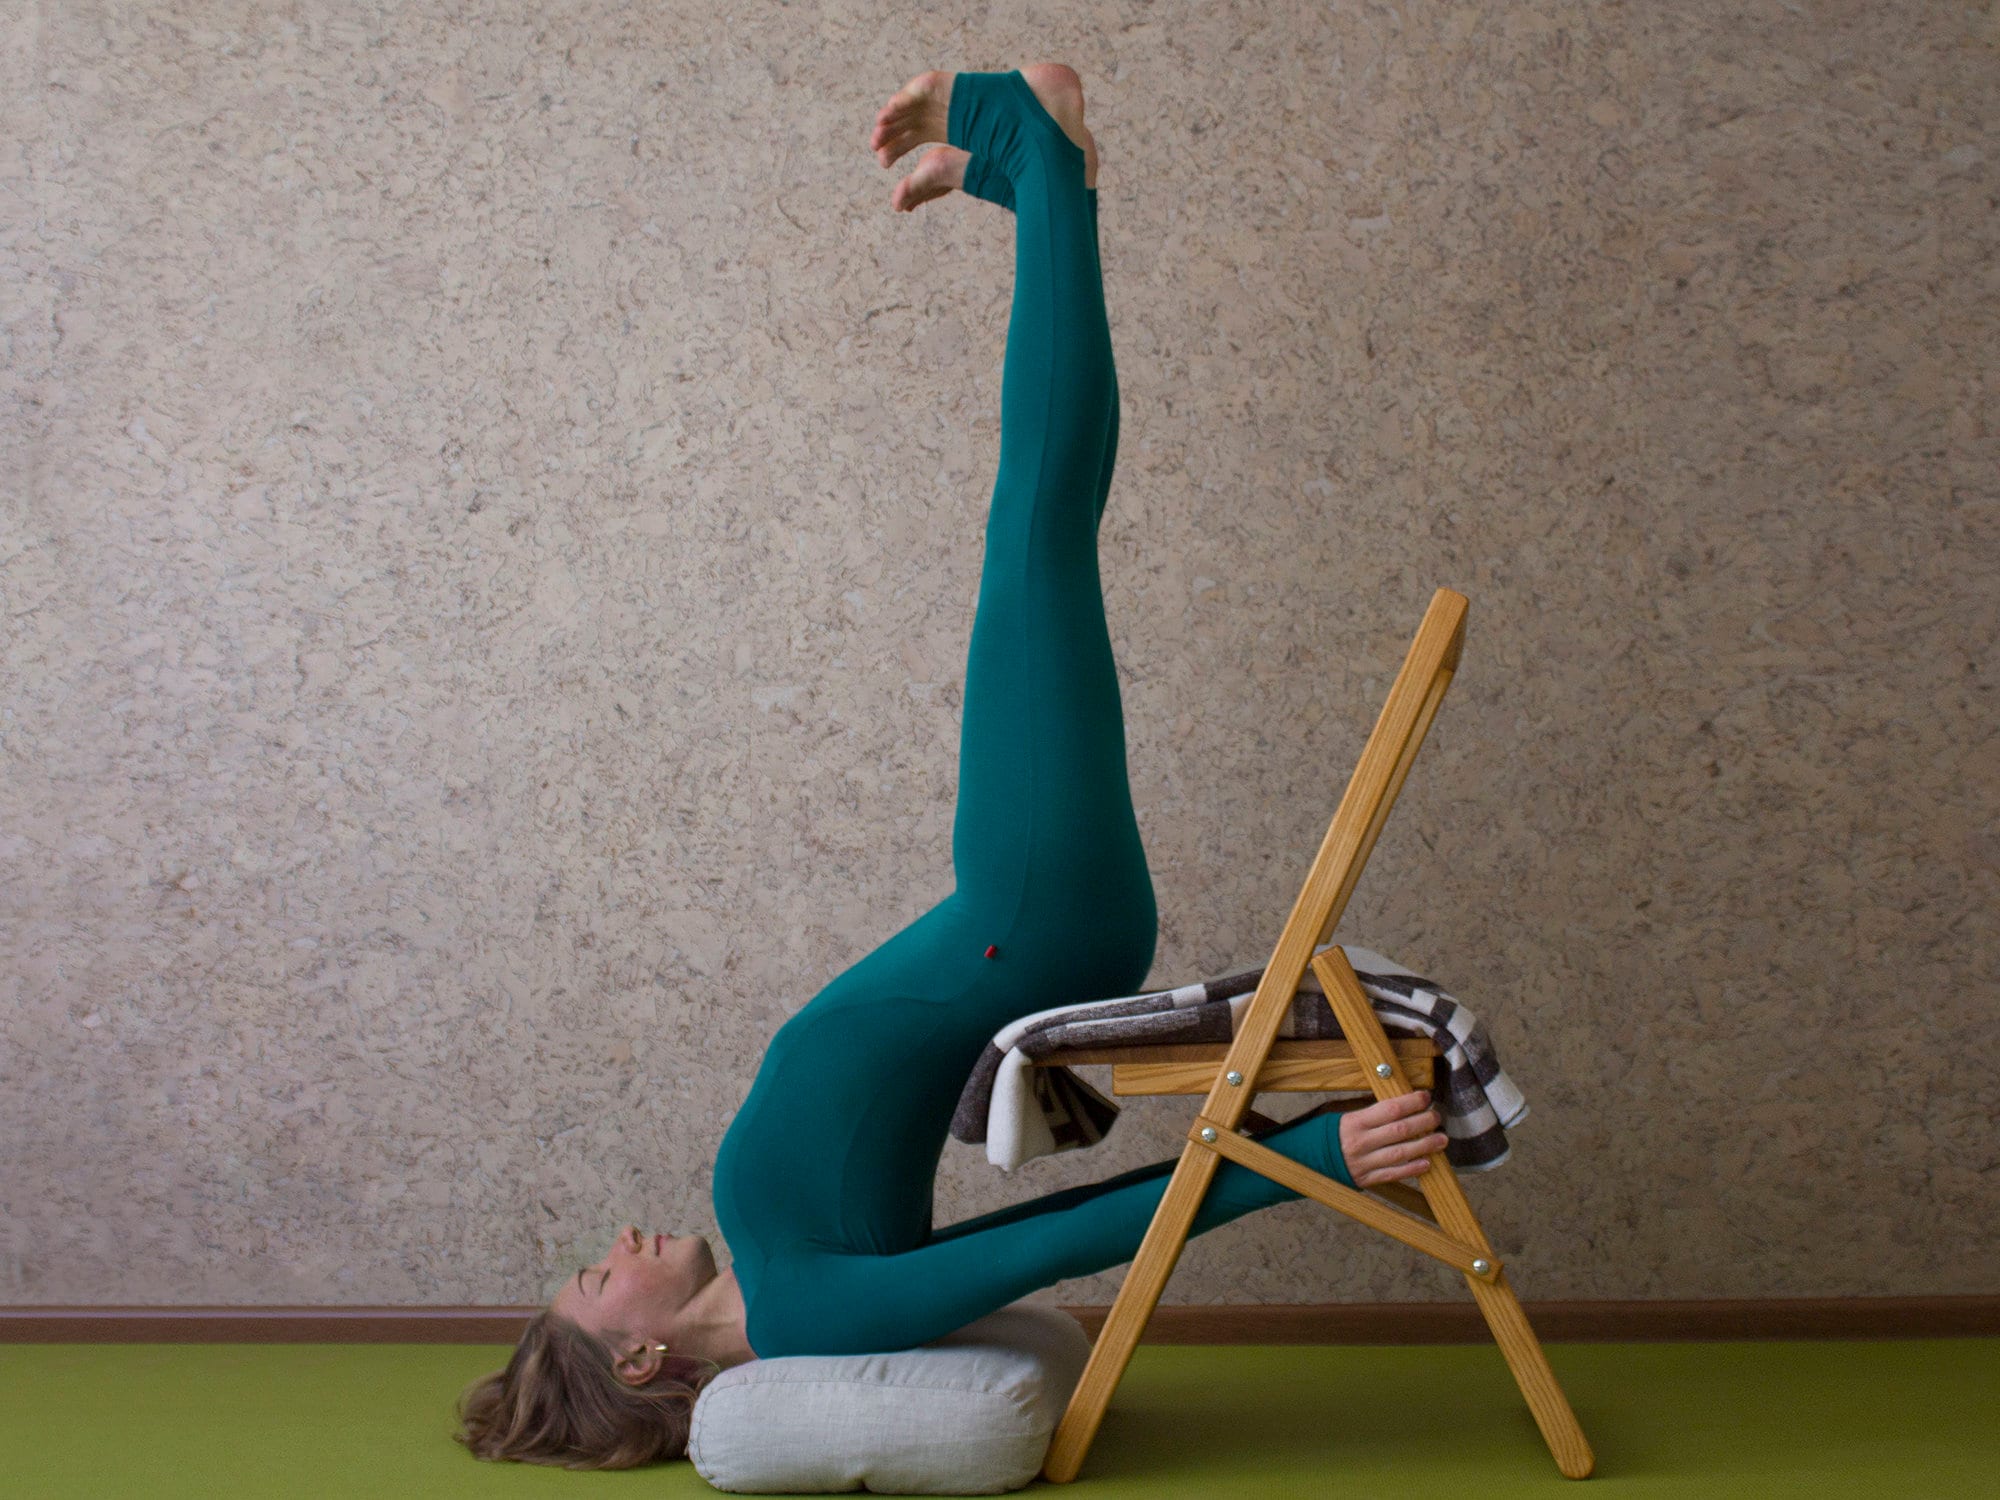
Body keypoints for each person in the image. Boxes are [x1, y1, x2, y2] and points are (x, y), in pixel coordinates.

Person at [456, 62, 1447, 1471]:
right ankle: (1036, 153)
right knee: (1038, 527)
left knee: (1039, 529)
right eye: (590, 1275)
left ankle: (1044, 182)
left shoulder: (775, 1262)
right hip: (1025, 909)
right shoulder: (796, 1311)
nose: (608, 1247)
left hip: (1013, 907)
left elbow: (1013, 1234)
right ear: (632, 1350)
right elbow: (1052, 1241)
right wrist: (1312, 1159)